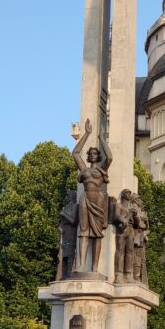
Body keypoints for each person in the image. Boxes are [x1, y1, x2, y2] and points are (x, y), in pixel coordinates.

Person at [72, 118, 113, 272]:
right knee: (83, 232)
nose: (93, 155)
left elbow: (110, 157)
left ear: (98, 156)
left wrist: (101, 138)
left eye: (95, 153)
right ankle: (82, 265)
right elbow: (75, 153)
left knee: (97, 234)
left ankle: (95, 267)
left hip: (98, 201)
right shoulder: (84, 170)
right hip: (85, 199)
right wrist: (87, 134)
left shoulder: (102, 170)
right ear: (89, 156)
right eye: (91, 153)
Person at [111, 189, 135, 283]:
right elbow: (116, 216)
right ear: (123, 195)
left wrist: (135, 215)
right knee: (120, 250)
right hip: (122, 229)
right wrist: (123, 219)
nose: (129, 195)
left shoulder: (132, 207)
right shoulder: (119, 205)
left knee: (130, 251)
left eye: (129, 194)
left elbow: (137, 223)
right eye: (127, 193)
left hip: (130, 229)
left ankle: (128, 274)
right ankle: (118, 274)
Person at [56, 189, 78, 280]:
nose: (67, 197)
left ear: (73, 196)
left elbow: (74, 221)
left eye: (69, 195)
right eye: (67, 195)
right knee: (64, 257)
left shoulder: (75, 206)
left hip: (71, 233)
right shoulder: (66, 207)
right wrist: (60, 227)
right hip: (65, 234)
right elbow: (62, 222)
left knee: (69, 256)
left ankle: (69, 275)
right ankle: (63, 276)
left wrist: (64, 214)